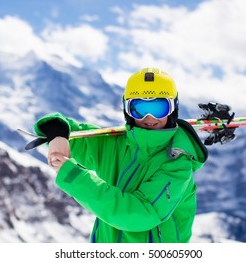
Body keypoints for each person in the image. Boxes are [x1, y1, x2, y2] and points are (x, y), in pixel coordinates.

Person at [34, 67, 208, 243]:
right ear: (127, 110)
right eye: (139, 108)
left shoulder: (178, 164)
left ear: (172, 109)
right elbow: (76, 135)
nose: (149, 117)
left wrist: (75, 177)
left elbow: (139, 214)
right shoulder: (115, 144)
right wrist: (57, 132)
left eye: (158, 107)